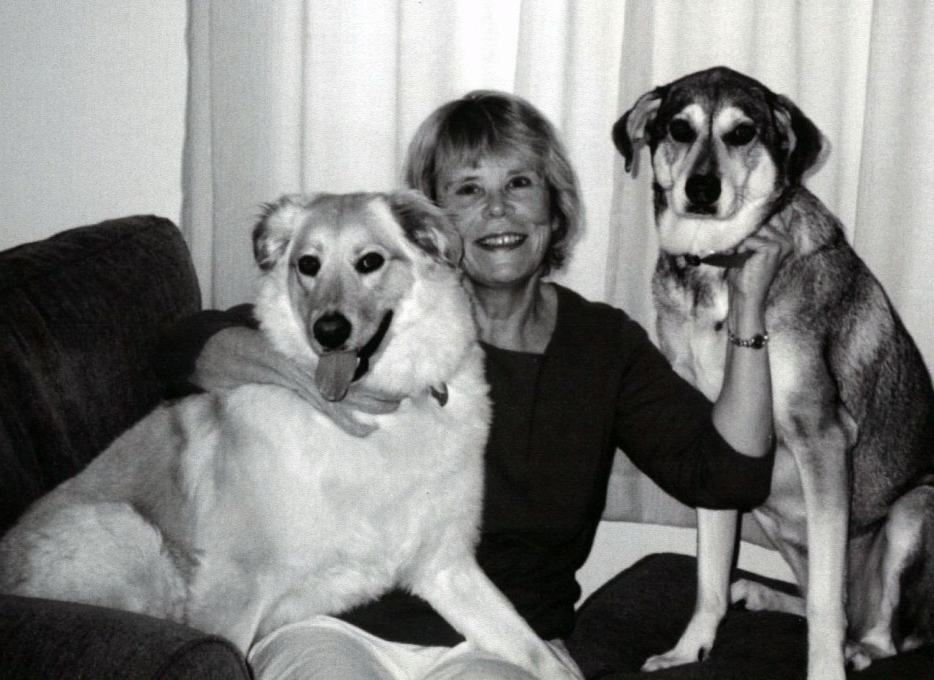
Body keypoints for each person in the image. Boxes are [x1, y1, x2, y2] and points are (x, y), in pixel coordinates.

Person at [159, 90, 792, 679]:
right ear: (428, 223)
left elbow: (729, 475)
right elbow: (184, 347)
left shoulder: (602, 345)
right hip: (334, 630)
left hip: (497, 643)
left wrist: (747, 312)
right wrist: (312, 376)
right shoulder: (383, 314)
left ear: (554, 204)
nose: (498, 210)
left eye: (520, 183)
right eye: (468, 189)